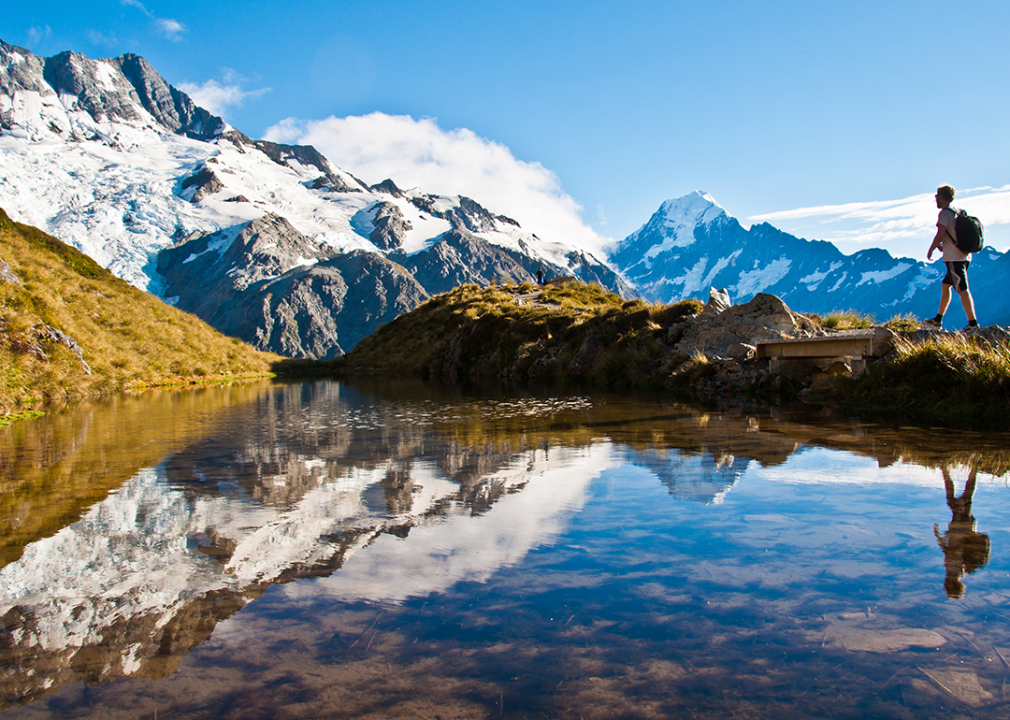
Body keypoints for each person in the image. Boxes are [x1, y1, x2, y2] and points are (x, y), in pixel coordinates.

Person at [925, 185, 978, 330]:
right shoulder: (958, 211)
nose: (935, 198)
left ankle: (973, 324)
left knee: (962, 289)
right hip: (964, 255)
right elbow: (953, 234)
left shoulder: (944, 214)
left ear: (942, 197)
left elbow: (940, 234)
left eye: (936, 196)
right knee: (946, 285)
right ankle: (938, 319)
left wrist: (931, 249)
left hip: (954, 258)